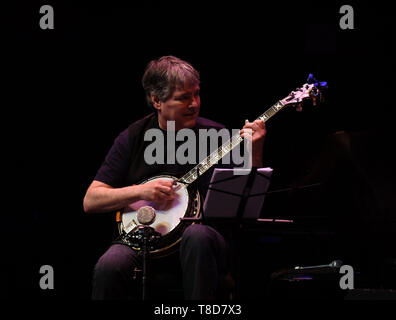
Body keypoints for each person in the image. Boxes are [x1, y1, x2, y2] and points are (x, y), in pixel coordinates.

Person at [83, 55, 266, 300]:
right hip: (146, 240)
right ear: (157, 100)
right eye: (183, 98)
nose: (194, 104)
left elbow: (248, 195)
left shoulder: (218, 135)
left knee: (197, 236)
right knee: (110, 265)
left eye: (196, 94)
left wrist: (254, 149)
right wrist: (140, 192)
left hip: (203, 240)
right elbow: (91, 200)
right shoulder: (134, 137)